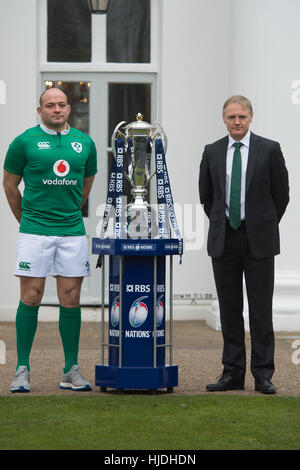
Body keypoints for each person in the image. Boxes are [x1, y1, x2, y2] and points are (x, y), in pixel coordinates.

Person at [3, 87, 97, 393]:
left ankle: (70, 369)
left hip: (71, 232)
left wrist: (68, 213)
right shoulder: (24, 142)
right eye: (50, 105)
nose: (56, 109)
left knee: (70, 298)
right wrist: (27, 220)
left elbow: (86, 184)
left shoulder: (85, 143)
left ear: (69, 109)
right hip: (34, 231)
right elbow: (9, 184)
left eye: (61, 105)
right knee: (31, 296)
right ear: (40, 110)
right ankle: (22, 369)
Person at [199, 95, 289, 394]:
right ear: (223, 119)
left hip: (259, 240)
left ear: (251, 118)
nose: (237, 122)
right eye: (231, 117)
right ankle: (232, 373)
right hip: (225, 238)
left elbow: (281, 195)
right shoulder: (212, 151)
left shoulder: (269, 149)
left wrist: (263, 222)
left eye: (242, 117)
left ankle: (263, 374)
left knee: (261, 311)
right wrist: (223, 221)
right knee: (229, 310)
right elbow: (207, 196)